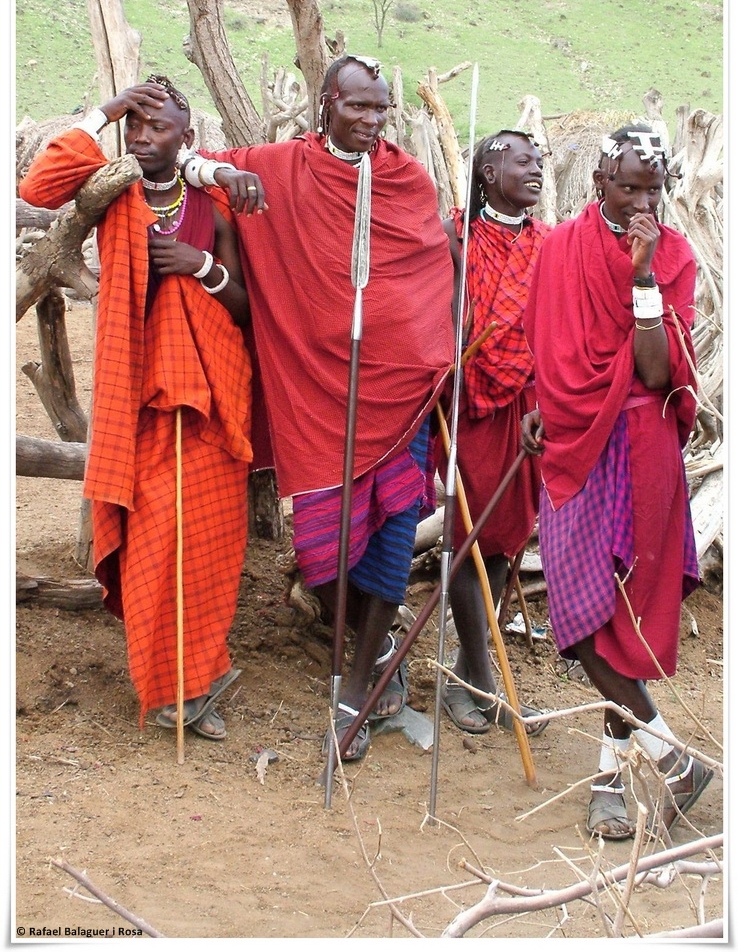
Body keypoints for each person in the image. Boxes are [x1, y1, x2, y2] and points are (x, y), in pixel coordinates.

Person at [179, 55, 455, 760]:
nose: (370, 122)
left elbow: (428, 272)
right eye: (357, 107)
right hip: (319, 394)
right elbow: (186, 160)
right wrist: (221, 177)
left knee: (394, 539)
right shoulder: (282, 166)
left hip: (398, 398)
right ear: (325, 104)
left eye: (381, 109)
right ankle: (375, 643)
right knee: (322, 553)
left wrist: (429, 356)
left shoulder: (405, 178)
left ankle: (356, 687)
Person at [20, 77, 253, 742]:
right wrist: (108, 108)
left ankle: (195, 681)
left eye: (159, 126)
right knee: (154, 542)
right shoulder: (114, 191)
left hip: (210, 404)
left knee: (208, 545)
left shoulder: (214, 203)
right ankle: (166, 691)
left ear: (188, 135)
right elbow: (39, 187)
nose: (145, 138)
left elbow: (243, 308)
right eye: (136, 127)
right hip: (142, 403)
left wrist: (198, 265)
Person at [522, 124, 712, 839]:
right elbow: (544, 339)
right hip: (571, 439)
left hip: (640, 441)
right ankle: (671, 756)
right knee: (577, 622)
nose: (638, 200)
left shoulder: (675, 258)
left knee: (617, 617)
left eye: (651, 189)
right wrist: (538, 404)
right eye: (626, 184)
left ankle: (609, 775)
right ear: (600, 176)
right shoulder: (560, 248)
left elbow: (660, 372)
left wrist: (642, 276)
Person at [436, 130, 550, 737]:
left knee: (506, 536)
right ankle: (483, 680)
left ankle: (469, 670)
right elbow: (435, 309)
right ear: (485, 172)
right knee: (469, 534)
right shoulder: (454, 236)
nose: (536, 170)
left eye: (539, 162)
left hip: (528, 407)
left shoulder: (549, 247)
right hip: (467, 401)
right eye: (522, 161)